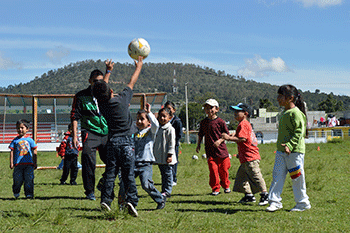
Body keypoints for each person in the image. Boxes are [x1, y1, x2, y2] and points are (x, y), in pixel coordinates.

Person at [92, 56, 143, 217]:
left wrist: (108, 71)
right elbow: (132, 81)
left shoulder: (101, 104)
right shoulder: (122, 100)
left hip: (112, 143)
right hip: (127, 143)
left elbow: (102, 88)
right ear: (112, 91)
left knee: (110, 173)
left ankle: (106, 200)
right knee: (128, 175)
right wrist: (139, 66)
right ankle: (131, 201)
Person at [70, 60, 114, 201]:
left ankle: (104, 182)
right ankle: (90, 192)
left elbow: (105, 84)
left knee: (114, 161)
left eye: (100, 81)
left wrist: (108, 71)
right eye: (95, 81)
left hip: (106, 132)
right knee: (88, 161)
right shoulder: (81, 96)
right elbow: (75, 116)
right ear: (90, 81)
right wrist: (75, 136)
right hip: (90, 133)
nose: (98, 83)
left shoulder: (105, 92)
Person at [266, 84, 311, 212]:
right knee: (277, 176)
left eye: (281, 96)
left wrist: (290, 145)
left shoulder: (296, 113)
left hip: (295, 152)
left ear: (290, 98)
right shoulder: (284, 112)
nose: (278, 99)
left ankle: (302, 203)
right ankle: (274, 202)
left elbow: (299, 132)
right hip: (281, 152)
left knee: (297, 178)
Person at [119, 103, 166, 210]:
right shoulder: (134, 132)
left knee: (146, 184)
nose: (139, 121)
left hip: (146, 163)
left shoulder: (151, 131)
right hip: (133, 163)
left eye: (142, 119)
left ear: (148, 121)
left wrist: (149, 112)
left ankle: (160, 199)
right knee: (124, 183)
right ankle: (122, 204)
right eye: (138, 119)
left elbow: (156, 125)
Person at [222, 103, 268, 206]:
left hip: (250, 157)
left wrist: (228, 138)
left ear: (245, 113)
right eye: (234, 111)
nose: (235, 114)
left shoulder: (243, 124)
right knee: (241, 179)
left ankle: (265, 194)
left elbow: (243, 139)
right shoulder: (244, 124)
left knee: (256, 175)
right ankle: (249, 196)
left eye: (238, 111)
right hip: (245, 157)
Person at [196, 99, 231, 195]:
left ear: (217, 109)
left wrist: (220, 141)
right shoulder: (203, 122)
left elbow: (226, 135)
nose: (209, 110)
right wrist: (198, 145)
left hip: (222, 152)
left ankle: (226, 185)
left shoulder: (221, 122)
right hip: (210, 152)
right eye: (206, 108)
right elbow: (200, 134)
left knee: (223, 170)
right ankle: (215, 189)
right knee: (213, 170)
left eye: (211, 107)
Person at [9, 119, 37, 199]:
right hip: (18, 165)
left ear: (27, 129)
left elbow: (34, 150)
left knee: (29, 179)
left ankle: (29, 194)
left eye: (22, 128)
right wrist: (11, 163)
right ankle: (16, 191)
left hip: (29, 164)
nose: (20, 130)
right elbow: (12, 151)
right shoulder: (15, 141)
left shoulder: (30, 140)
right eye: (18, 128)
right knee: (17, 179)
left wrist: (35, 162)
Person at [153, 107, 176, 198]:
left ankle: (167, 191)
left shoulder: (170, 129)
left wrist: (170, 155)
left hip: (167, 157)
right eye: (160, 116)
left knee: (168, 174)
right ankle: (164, 190)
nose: (162, 118)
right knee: (163, 174)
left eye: (164, 116)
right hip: (161, 157)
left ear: (170, 117)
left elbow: (171, 143)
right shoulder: (158, 128)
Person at [164, 101, 183, 186]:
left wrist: (174, 142)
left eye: (169, 109)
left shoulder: (177, 121)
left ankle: (173, 179)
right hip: (165, 145)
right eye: (166, 109)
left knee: (173, 161)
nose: (168, 111)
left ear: (174, 110)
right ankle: (167, 177)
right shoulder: (164, 120)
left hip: (174, 145)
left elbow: (179, 134)